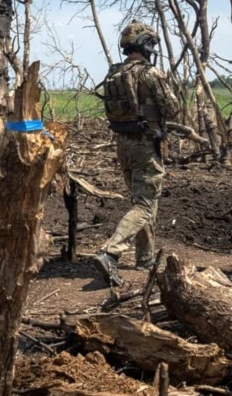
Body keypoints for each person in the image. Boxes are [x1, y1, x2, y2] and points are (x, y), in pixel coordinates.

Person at [93, 20, 180, 286]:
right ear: (146, 44)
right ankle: (111, 252)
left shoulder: (114, 74)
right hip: (145, 145)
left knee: (144, 201)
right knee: (144, 203)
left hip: (124, 145)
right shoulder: (150, 74)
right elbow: (172, 109)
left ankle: (145, 258)